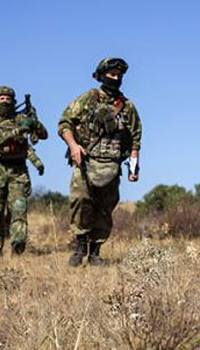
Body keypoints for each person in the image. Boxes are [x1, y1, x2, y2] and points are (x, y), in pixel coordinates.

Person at [58, 58, 142, 267]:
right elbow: (64, 123)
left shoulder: (127, 107)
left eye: (119, 75)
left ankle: (95, 253)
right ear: (102, 75)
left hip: (111, 166)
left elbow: (135, 140)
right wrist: (73, 146)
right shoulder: (88, 99)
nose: (116, 78)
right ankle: (79, 249)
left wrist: (133, 168)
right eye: (112, 74)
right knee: (81, 203)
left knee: (104, 209)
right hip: (86, 163)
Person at [0, 86, 48, 255]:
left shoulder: (21, 117)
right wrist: (19, 130)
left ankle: (17, 247)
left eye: (8, 98)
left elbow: (43, 135)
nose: (5, 101)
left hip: (18, 170)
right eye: (2, 98)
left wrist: (34, 122)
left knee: (19, 208)